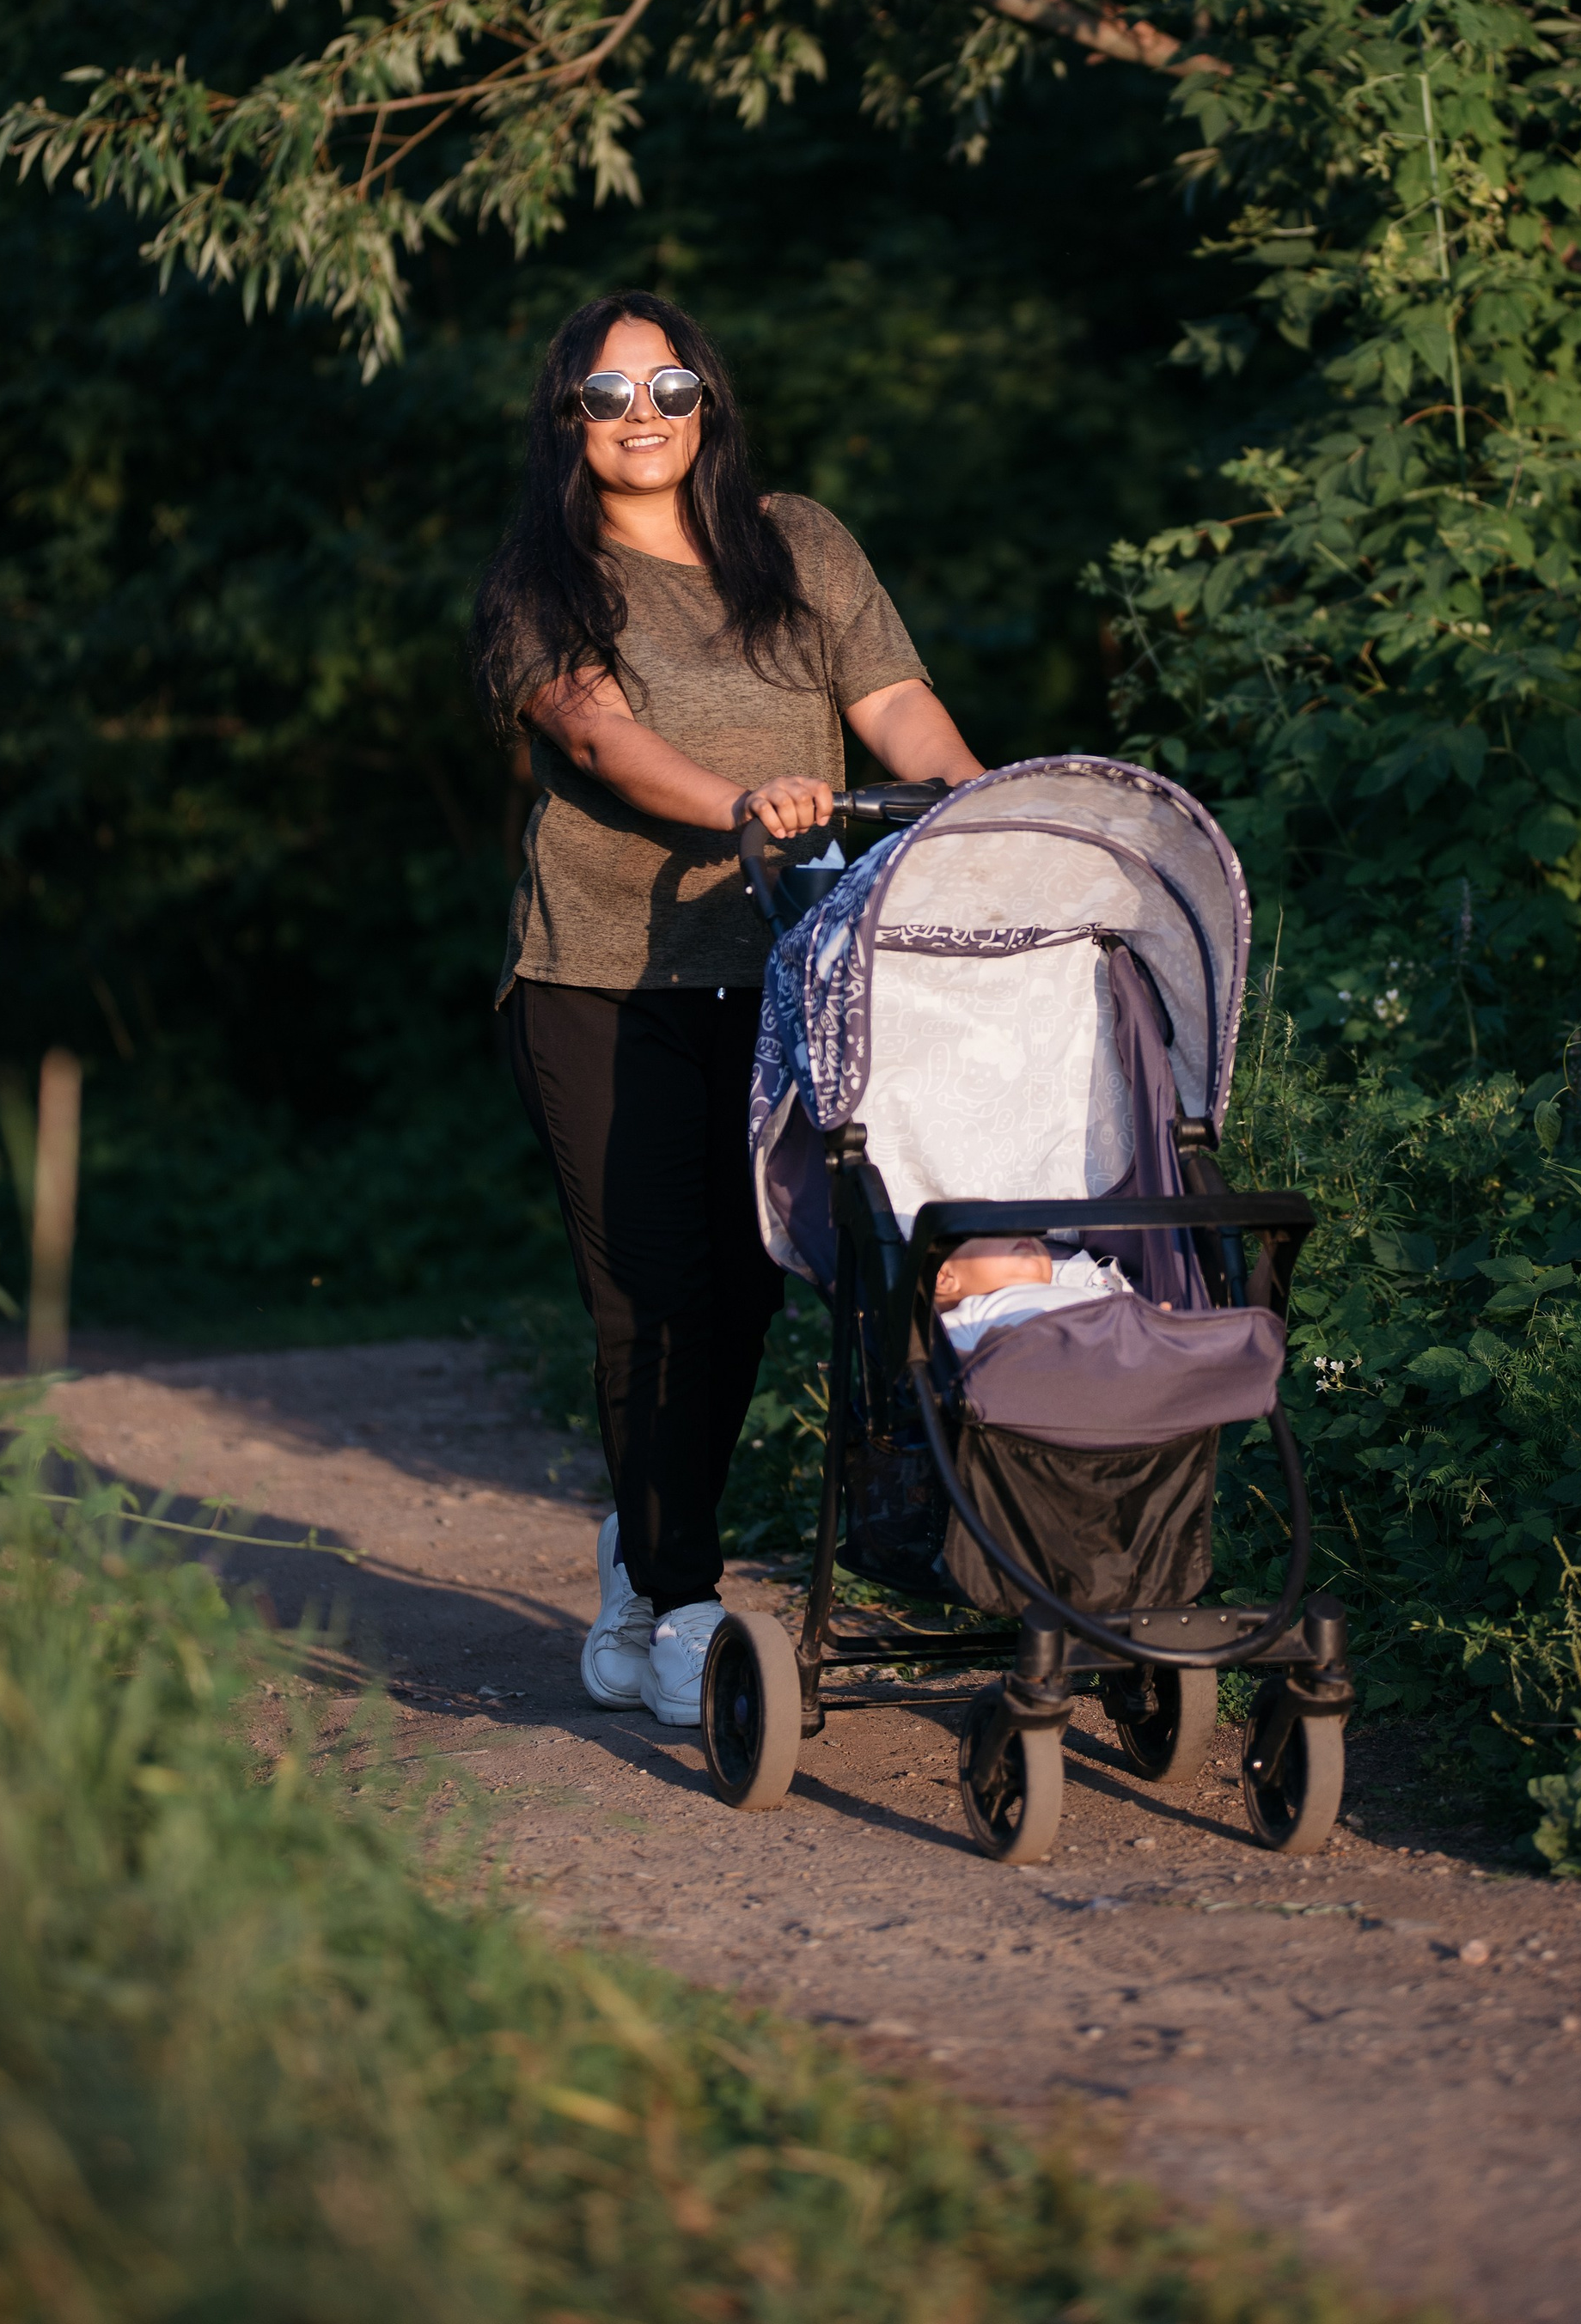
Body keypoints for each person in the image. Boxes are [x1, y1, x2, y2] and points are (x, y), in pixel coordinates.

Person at [474, 291, 985, 1723]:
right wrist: (743, 804)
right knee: (651, 1295)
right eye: (609, 393)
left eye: (671, 387)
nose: (645, 416)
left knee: (748, 1291)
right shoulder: (540, 580)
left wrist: (987, 817)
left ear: (710, 403)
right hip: (601, 983)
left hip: (790, 975)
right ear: (567, 419)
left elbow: (899, 713)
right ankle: (679, 1597)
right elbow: (600, 735)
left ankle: (649, 1552)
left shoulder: (799, 542)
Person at [931, 1235, 1141, 1353]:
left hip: (1117, 1360)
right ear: (944, 1279)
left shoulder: (1091, 1289)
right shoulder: (972, 1315)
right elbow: (947, 1368)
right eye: (996, 1230)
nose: (1021, 1232)